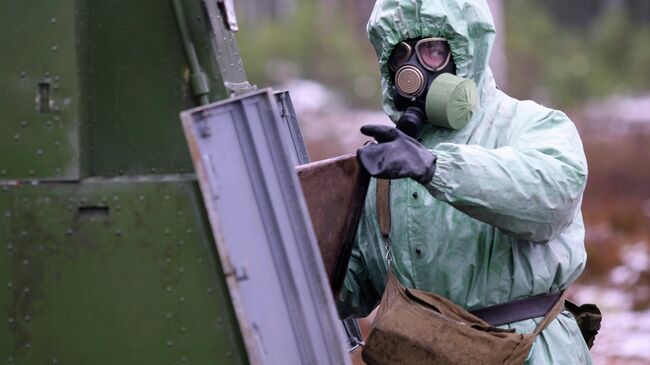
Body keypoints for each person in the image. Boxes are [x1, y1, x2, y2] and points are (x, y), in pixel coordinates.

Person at [337, 0, 593, 363]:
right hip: (426, 353)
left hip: (528, 352)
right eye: (400, 56)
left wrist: (435, 168)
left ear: (466, 51)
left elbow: (549, 199)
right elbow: (352, 289)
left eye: (432, 51)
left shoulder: (531, 125)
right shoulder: (389, 166)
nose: (413, 72)